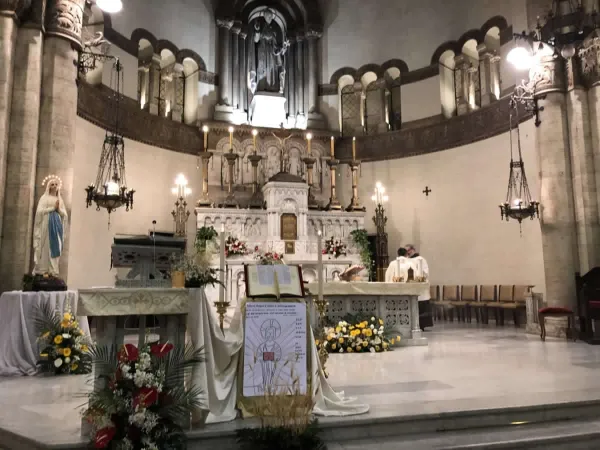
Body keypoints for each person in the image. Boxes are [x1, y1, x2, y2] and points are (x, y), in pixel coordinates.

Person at [33, 176, 68, 276]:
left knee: (55, 246)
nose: (54, 186)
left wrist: (58, 210)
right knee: (45, 246)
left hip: (56, 227)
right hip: (46, 225)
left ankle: (53, 271)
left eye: (56, 184)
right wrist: (52, 209)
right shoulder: (44, 198)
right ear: (48, 186)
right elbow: (39, 211)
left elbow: (64, 215)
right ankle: (43, 270)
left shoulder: (59, 200)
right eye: (52, 184)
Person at [405, 244, 433, 330]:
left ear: (413, 250)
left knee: (422, 304)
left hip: (420, 286)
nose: (407, 252)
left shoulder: (421, 259)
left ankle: (422, 325)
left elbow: (425, 272)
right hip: (410, 286)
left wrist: (418, 277)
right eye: (406, 251)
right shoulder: (406, 260)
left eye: (408, 250)